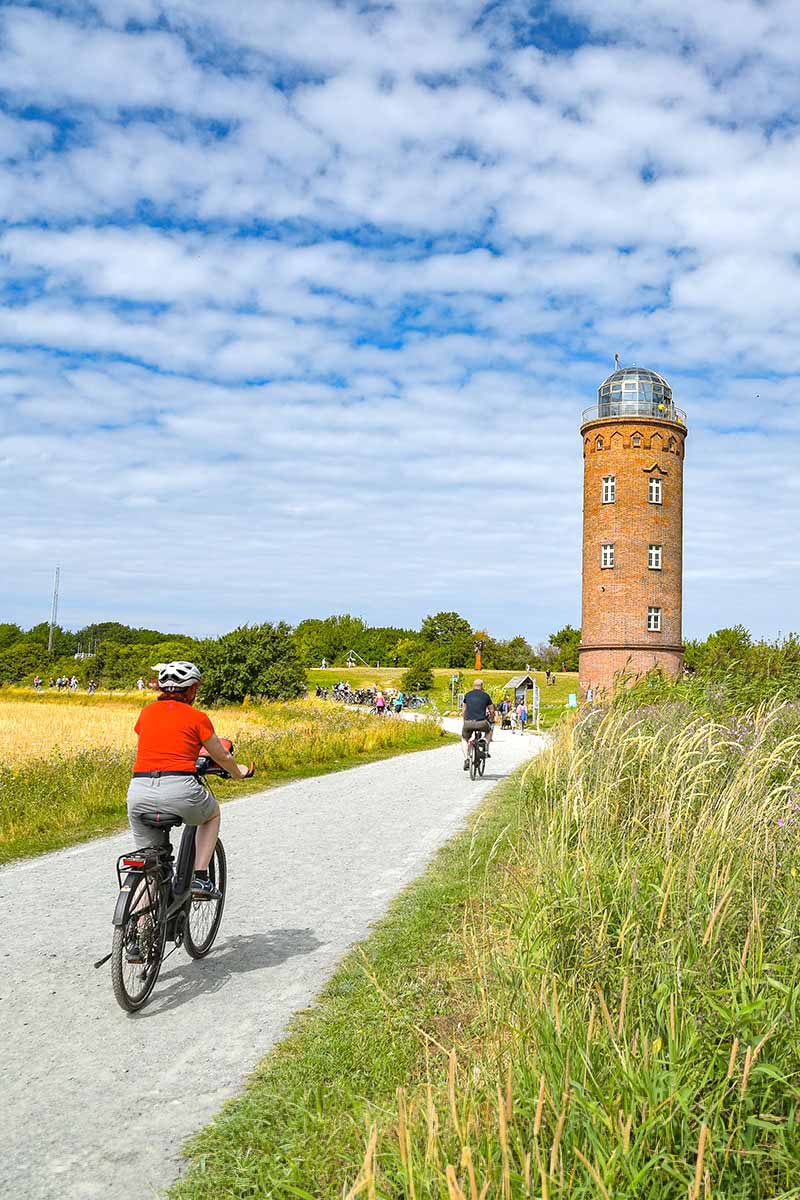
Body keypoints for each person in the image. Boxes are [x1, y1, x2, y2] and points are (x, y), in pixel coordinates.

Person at [126, 661, 253, 904]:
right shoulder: (197, 718)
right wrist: (238, 772)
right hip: (180, 790)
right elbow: (221, 755)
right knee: (211, 814)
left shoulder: (146, 713)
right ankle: (200, 877)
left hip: (139, 792)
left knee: (148, 866)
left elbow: (162, 741)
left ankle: (137, 934)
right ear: (192, 690)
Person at [461, 678, 495, 770]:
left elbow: (464, 710)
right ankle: (484, 740)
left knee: (464, 738)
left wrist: (464, 721)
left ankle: (466, 758)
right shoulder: (486, 696)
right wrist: (491, 720)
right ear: (482, 686)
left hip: (468, 723)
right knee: (490, 730)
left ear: (473, 686)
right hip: (482, 723)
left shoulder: (467, 695)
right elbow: (492, 710)